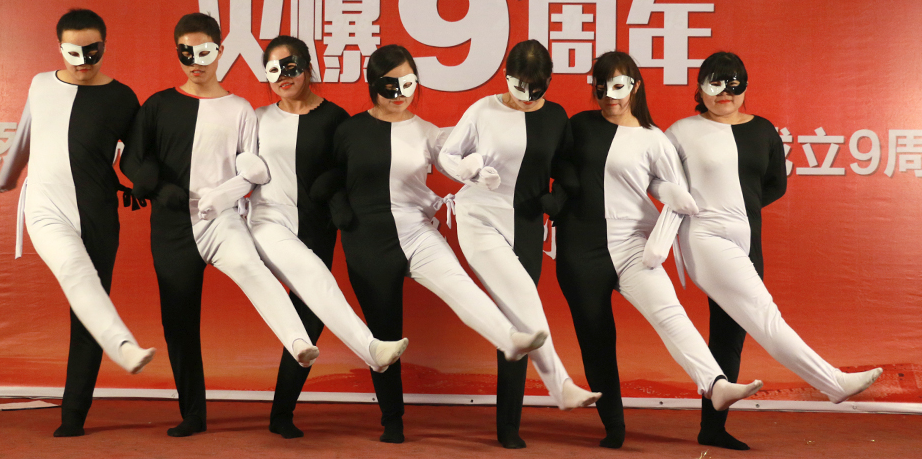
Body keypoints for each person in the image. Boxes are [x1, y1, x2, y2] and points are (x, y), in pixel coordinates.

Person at [322, 44, 549, 444]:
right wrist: (338, 207)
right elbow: (330, 177)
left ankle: (509, 337)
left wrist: (477, 171)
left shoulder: (427, 132)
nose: (401, 93)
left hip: (417, 231)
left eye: (408, 83)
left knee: (458, 284)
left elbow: (455, 158)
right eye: (390, 84)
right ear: (373, 83)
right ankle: (392, 420)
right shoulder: (348, 130)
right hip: (367, 241)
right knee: (384, 333)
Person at [664, 51, 883, 450]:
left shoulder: (763, 130)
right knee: (765, 316)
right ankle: (832, 382)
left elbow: (775, 184)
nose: (725, 92)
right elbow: (658, 178)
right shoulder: (681, 131)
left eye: (734, 83)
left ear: (745, 86)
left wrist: (740, 212)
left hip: (747, 239)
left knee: (729, 336)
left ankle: (712, 428)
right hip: (705, 236)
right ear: (700, 87)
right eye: (715, 83)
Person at [120, 13, 319, 437]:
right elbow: (133, 159)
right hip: (172, 227)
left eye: (204, 51)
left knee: (252, 269)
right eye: (186, 53)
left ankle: (298, 341)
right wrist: (157, 189)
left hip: (223, 219)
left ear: (220, 51)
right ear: (176, 52)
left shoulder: (240, 109)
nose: (196, 61)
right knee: (178, 322)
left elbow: (252, 171)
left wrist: (224, 196)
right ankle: (192, 413)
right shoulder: (157, 105)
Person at [554, 51, 763, 449]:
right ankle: (614, 426)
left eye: (619, 86)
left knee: (669, 312)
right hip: (580, 248)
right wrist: (558, 195)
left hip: (635, 245)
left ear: (635, 86)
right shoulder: (578, 125)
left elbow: (677, 196)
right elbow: (555, 165)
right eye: (601, 88)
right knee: (595, 338)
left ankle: (714, 383)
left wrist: (660, 243)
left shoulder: (654, 138)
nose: (610, 96)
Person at [0, 8, 156, 437]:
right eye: (73, 52)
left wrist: (145, 183)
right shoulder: (40, 84)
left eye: (92, 51)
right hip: (46, 206)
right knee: (75, 270)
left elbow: (135, 156)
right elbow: (25, 134)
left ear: (105, 45)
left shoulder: (122, 97)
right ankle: (124, 346)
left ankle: (73, 415)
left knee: (87, 303)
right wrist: (7, 178)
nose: (83, 61)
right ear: (59, 48)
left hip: (99, 213)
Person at [438, 40, 600, 449]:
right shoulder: (482, 110)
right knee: (525, 299)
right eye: (519, 84)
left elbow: (565, 165)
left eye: (536, 87)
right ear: (505, 75)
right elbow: (447, 156)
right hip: (479, 217)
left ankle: (512, 422)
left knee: (519, 318)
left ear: (549, 81)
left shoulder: (556, 117)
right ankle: (559, 385)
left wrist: (560, 196)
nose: (526, 94)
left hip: (527, 225)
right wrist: (471, 172)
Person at [245, 36, 409, 439]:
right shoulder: (257, 118)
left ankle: (286, 415)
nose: (283, 76)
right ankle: (366, 356)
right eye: (273, 69)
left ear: (307, 66)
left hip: (318, 229)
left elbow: (349, 168)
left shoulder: (336, 118)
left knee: (310, 319)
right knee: (311, 298)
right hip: (269, 224)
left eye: (291, 66)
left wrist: (336, 196)